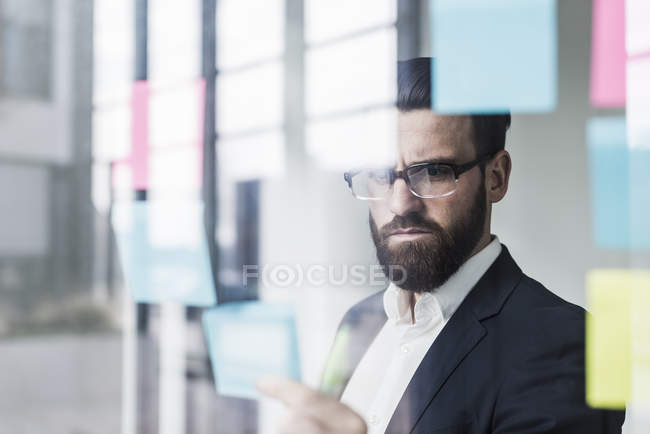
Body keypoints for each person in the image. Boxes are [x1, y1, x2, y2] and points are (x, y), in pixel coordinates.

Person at [257, 57, 626, 433]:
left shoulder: (567, 344)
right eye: (380, 175)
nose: (400, 204)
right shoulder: (359, 321)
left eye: (433, 172)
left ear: (496, 178)